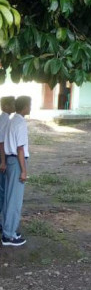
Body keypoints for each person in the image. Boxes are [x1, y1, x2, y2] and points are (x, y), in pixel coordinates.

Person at [2, 96, 32, 247]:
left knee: (9, 198)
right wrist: (24, 171)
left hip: (10, 160)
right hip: (16, 162)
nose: (31, 108)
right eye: (29, 105)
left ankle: (8, 229)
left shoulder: (12, 120)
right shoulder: (20, 122)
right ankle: (9, 236)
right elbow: (20, 148)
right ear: (25, 107)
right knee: (14, 200)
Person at [0, 96, 16, 236]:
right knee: (2, 192)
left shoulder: (6, 119)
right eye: (12, 104)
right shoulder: (4, 119)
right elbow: (1, 142)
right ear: (5, 106)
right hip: (2, 159)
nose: (14, 105)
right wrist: (3, 162)